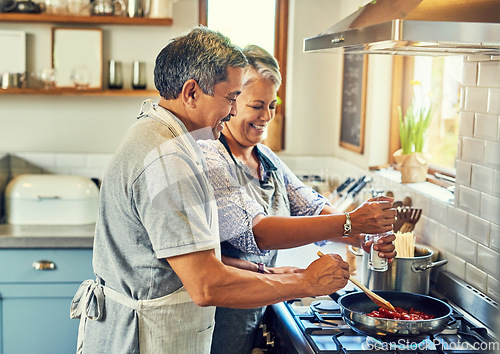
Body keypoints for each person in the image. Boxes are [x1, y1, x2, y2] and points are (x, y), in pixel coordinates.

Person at [69, 27, 355, 354]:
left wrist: (266, 272)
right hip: (143, 340)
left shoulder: (167, 138)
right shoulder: (168, 160)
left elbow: (185, 259)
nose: (234, 111)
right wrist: (305, 283)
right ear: (192, 93)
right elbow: (206, 284)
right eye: (232, 97)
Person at [198, 45, 396, 354]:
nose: (267, 116)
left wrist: (364, 239)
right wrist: (350, 221)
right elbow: (258, 232)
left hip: (260, 306)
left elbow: (312, 207)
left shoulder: (266, 158)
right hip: (218, 317)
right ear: (232, 103)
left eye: (273, 105)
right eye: (257, 105)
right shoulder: (211, 155)